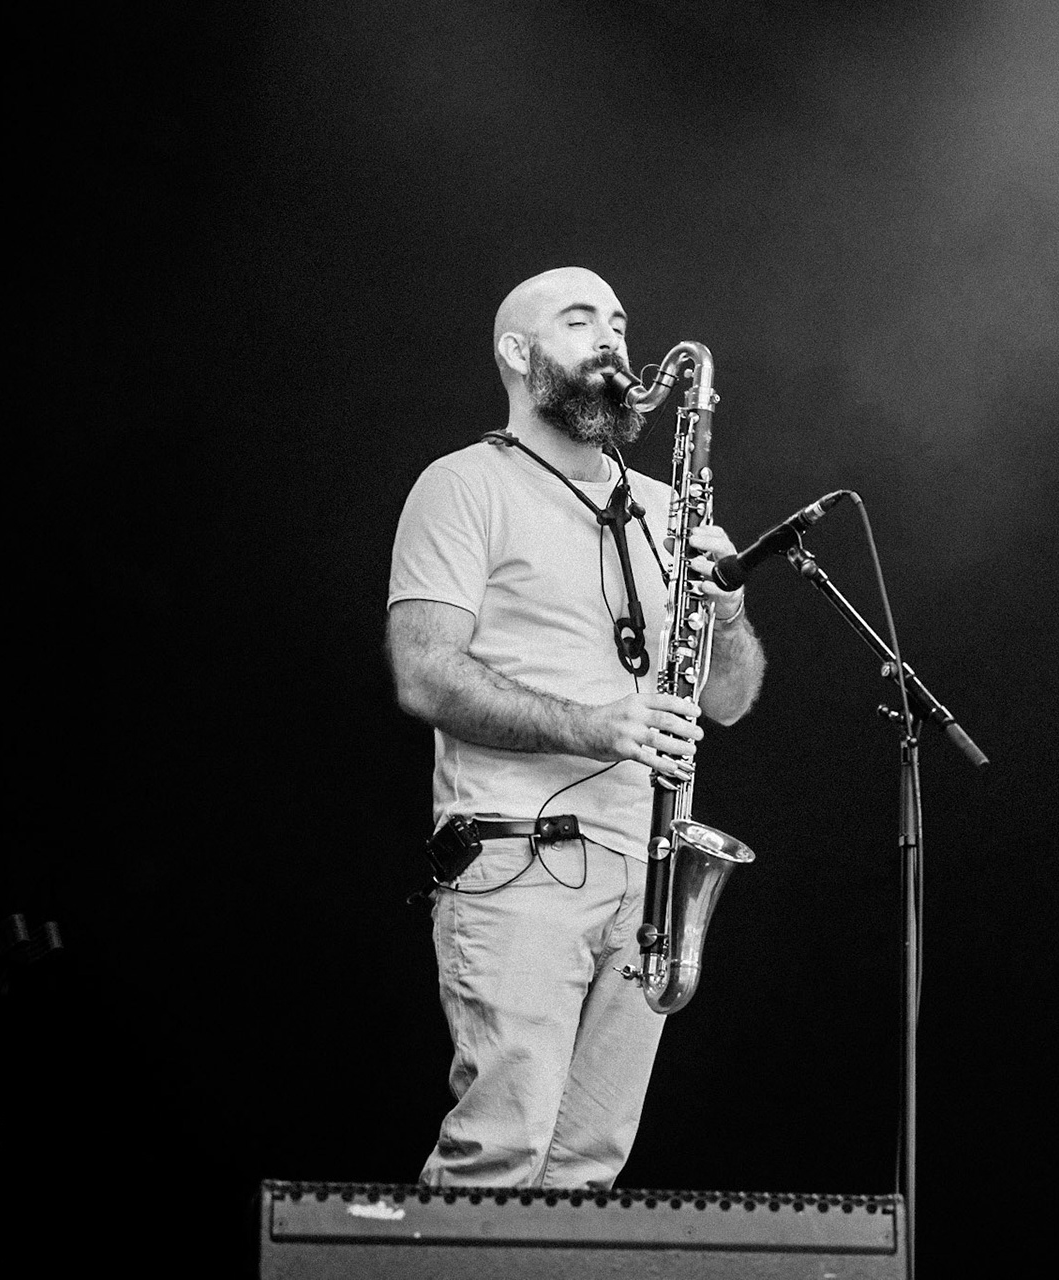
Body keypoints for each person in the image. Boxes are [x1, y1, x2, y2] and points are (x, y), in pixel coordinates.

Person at [385, 266, 766, 1189]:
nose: (613, 340)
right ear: (518, 354)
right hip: (520, 853)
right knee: (501, 1147)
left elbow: (730, 699)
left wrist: (728, 606)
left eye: (621, 322)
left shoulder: (671, 513)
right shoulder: (464, 485)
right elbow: (424, 673)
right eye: (580, 319)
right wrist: (596, 726)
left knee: (588, 1169)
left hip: (650, 867)